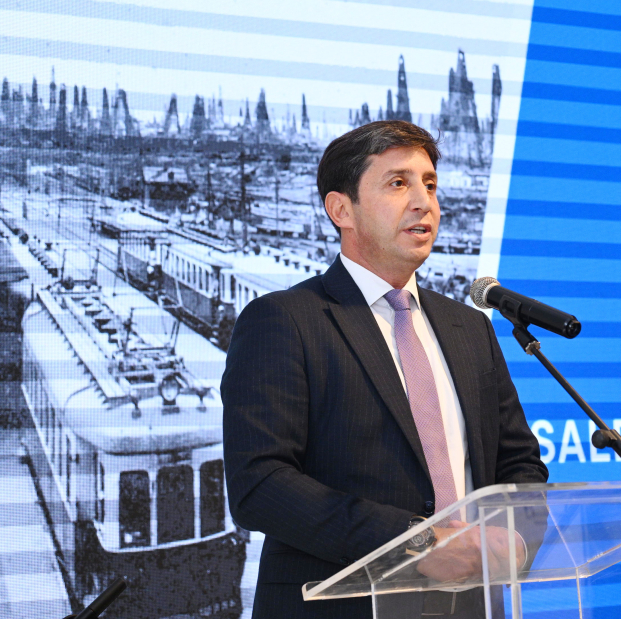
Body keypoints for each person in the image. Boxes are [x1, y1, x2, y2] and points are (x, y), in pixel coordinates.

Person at [222, 120, 548, 618]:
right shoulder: (286, 320)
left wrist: (515, 540)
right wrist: (418, 545)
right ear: (341, 210)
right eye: (398, 183)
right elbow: (260, 485)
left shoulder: (469, 328)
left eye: (430, 184)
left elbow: (519, 462)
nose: (424, 202)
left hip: (473, 605)